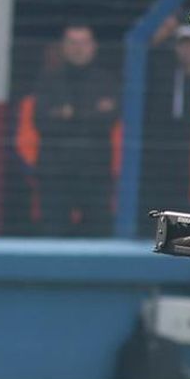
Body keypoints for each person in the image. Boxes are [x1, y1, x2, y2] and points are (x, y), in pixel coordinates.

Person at [34, 23, 119, 237]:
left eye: (83, 43)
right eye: (72, 43)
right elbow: (41, 122)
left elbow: (110, 119)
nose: (78, 48)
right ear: (63, 46)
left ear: (93, 46)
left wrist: (68, 115)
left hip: (95, 172)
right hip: (55, 173)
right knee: (53, 233)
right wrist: (92, 113)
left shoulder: (107, 81)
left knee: (98, 234)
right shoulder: (48, 80)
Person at [140, 23, 190, 224]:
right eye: (182, 45)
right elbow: (144, 61)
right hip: (165, 142)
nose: (187, 50)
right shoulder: (164, 75)